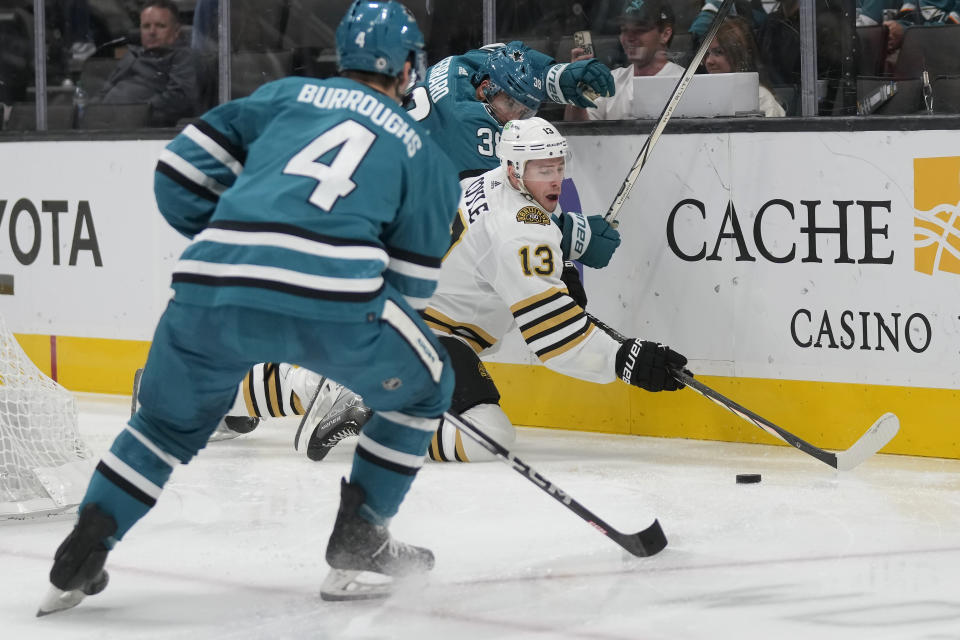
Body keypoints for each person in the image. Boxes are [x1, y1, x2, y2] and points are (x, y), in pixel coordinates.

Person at [37, 0, 461, 614]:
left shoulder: (283, 96)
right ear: (407, 69)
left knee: (160, 427)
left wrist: (241, 243)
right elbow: (411, 293)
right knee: (426, 389)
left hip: (213, 285)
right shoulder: (425, 155)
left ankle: (81, 553)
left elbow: (177, 169)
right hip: (336, 301)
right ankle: (359, 547)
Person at [225, 118, 689, 464]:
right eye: (541, 169)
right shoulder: (520, 227)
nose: (554, 180)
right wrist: (626, 360)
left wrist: (556, 276)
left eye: (557, 167)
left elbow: (484, 256)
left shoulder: (485, 182)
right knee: (488, 437)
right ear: (513, 170)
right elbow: (555, 340)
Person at [565, 0, 684, 121]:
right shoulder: (608, 80)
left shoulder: (685, 82)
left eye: (639, 30)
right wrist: (575, 89)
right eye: (624, 30)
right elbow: (578, 131)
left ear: (665, 34)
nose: (629, 38)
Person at [94, 0, 201, 126]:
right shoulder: (131, 55)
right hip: (104, 125)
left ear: (176, 31)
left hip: (142, 129)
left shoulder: (183, 57)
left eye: (160, 26)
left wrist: (137, 113)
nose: (152, 32)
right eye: (146, 26)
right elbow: (104, 91)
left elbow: (179, 98)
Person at [703, 17, 785, 117]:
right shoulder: (705, 96)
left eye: (719, 52)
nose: (708, 61)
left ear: (740, 55)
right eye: (706, 53)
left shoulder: (760, 99)